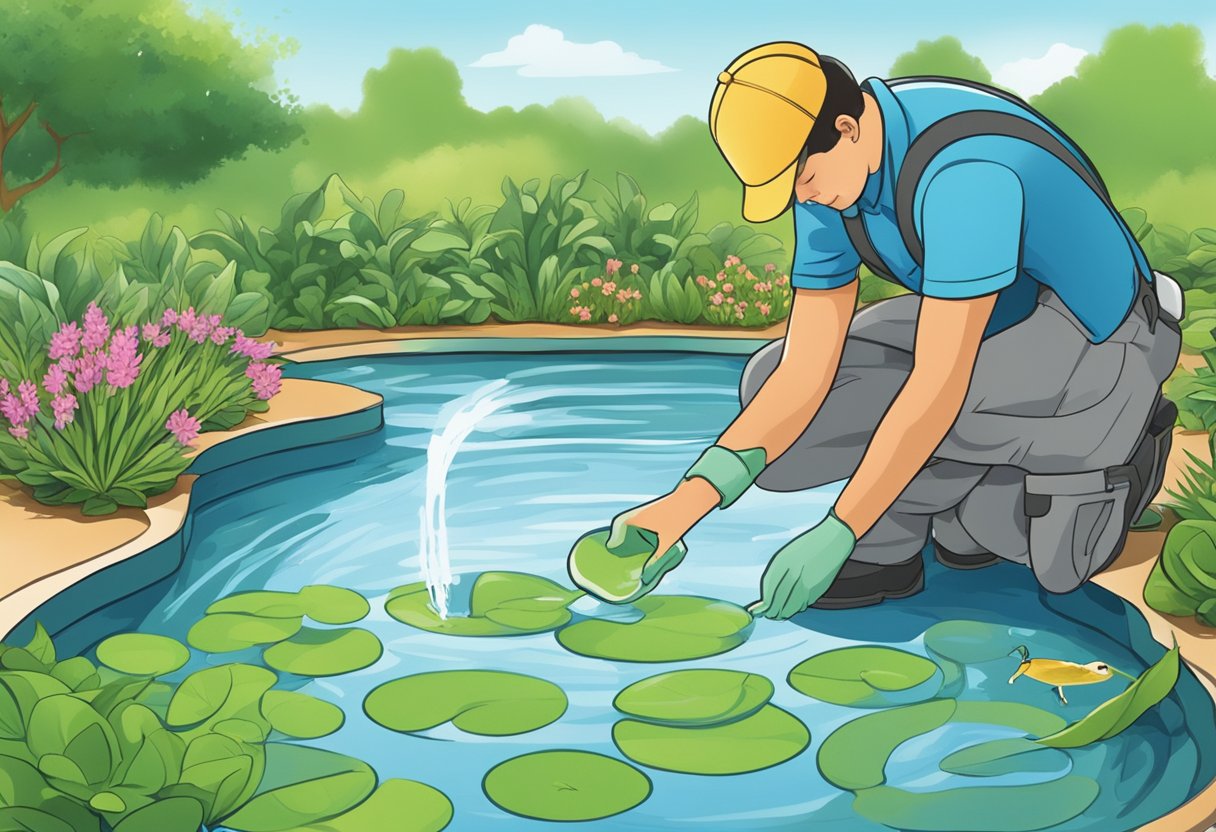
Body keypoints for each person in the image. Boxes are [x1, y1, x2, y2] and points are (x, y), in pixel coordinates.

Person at [581, 41, 1183, 621]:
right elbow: (804, 369)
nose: (804, 197)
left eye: (803, 178)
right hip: (995, 323)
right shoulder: (828, 183)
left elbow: (938, 384)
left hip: (1100, 334)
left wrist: (839, 528)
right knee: (766, 381)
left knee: (1041, 553)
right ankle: (906, 527)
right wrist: (682, 507)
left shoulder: (966, 174)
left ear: (845, 127)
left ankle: (1124, 446)